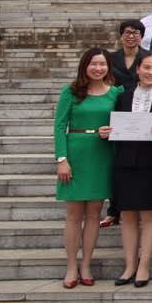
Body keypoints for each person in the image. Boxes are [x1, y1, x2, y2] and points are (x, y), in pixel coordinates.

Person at [54, 47, 119, 288]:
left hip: (102, 154)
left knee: (94, 214)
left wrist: (110, 132)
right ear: (85, 66)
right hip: (76, 153)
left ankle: (86, 264)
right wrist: (62, 159)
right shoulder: (71, 92)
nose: (98, 68)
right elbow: (59, 126)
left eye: (102, 64)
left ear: (108, 68)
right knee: (74, 215)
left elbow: (121, 123)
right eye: (93, 64)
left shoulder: (115, 93)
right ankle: (71, 265)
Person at [106, 51, 152, 287]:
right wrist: (107, 131)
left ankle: (144, 265)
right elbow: (115, 123)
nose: (151, 72)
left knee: (149, 213)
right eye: (147, 67)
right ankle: (129, 265)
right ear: (138, 70)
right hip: (124, 161)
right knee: (127, 215)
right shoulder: (123, 97)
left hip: (150, 162)